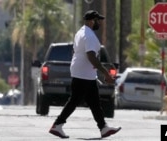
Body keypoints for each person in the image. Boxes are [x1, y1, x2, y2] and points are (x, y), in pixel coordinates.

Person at [49, 10, 121, 139]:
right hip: (84, 74)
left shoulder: (80, 32)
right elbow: (91, 56)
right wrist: (106, 73)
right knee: (75, 101)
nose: (99, 23)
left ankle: (103, 128)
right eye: (97, 20)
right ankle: (57, 125)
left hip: (83, 72)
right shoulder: (89, 36)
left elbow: (75, 51)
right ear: (91, 21)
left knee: (94, 102)